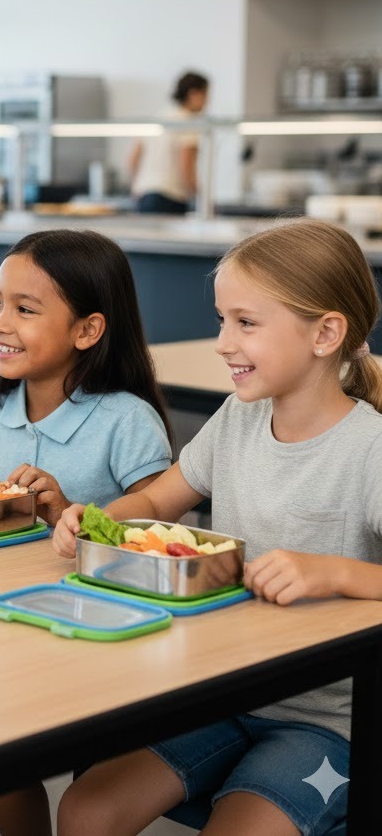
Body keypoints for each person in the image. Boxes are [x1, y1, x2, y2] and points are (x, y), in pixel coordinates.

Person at [53, 218, 382, 836]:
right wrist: (95, 521)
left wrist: (333, 571)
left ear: (326, 333)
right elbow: (162, 497)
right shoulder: (238, 419)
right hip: (221, 692)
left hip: (327, 723)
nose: (223, 342)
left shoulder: (370, 449)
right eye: (221, 320)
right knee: (84, 811)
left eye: (246, 323)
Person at [0, 229, 173, 836]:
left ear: (87, 330)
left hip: (82, 628)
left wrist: (69, 511)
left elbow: (160, 538)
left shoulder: (127, 420)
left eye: (25, 309)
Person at [129, 70, 210, 214]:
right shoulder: (188, 123)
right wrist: (203, 199)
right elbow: (186, 166)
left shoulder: (159, 117)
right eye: (205, 95)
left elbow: (133, 159)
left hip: (144, 196)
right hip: (169, 198)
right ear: (193, 94)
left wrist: (136, 186)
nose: (207, 102)